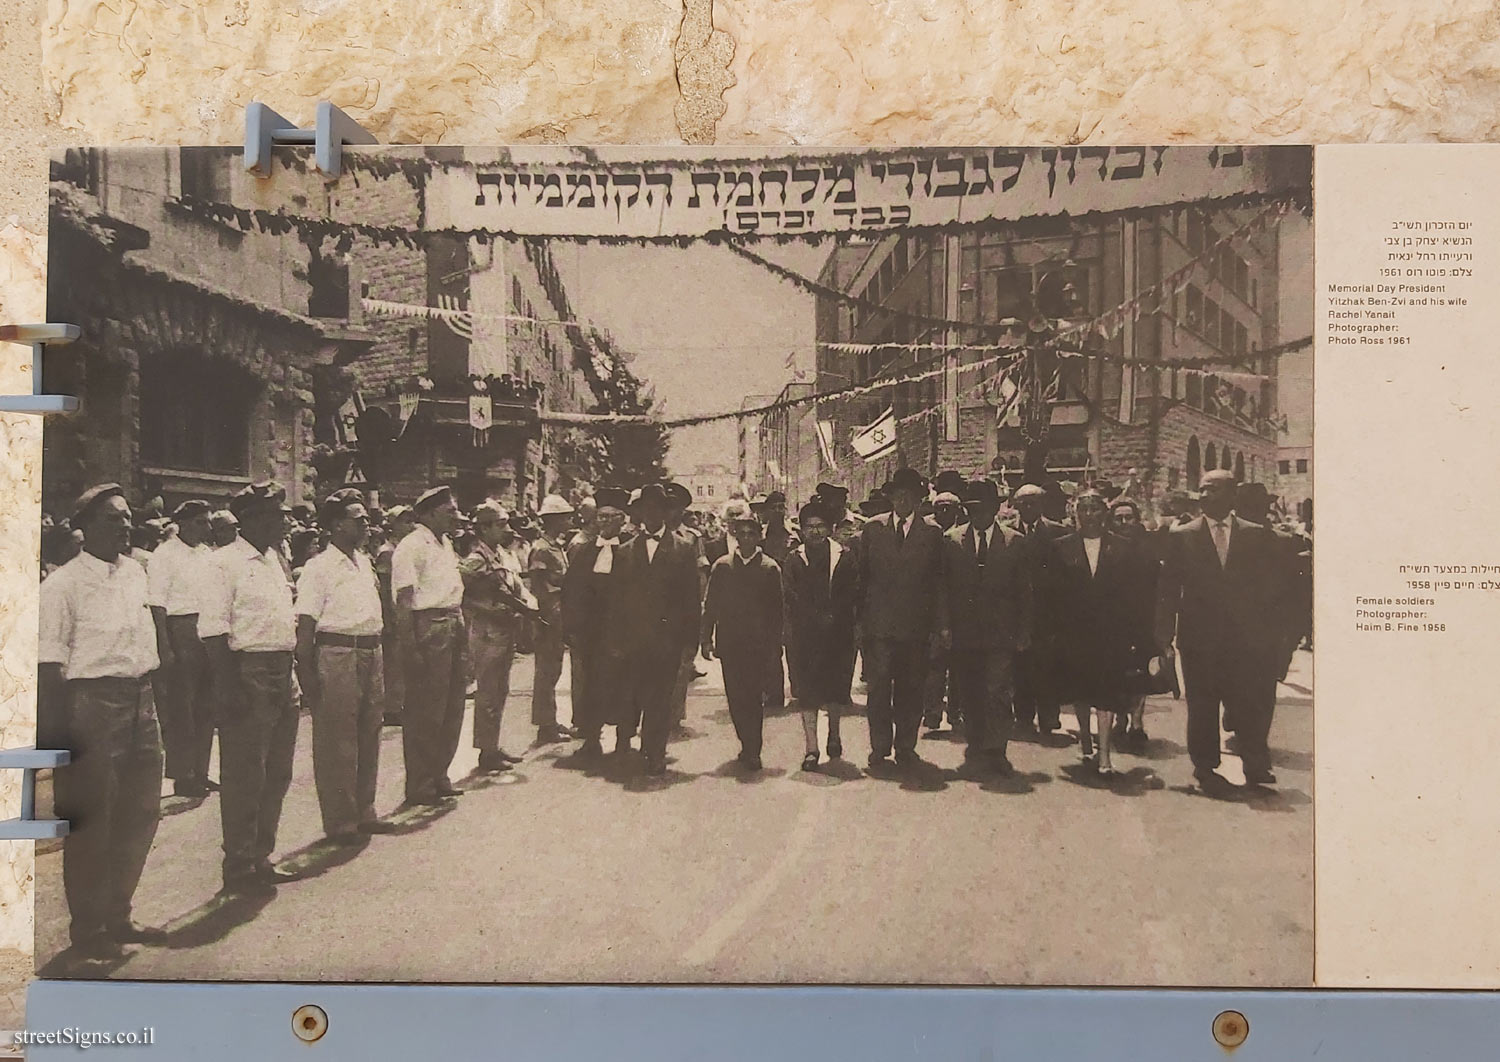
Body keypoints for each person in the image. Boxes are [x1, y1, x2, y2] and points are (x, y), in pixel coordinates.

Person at [39, 484, 166, 960]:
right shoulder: (62, 586)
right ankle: (88, 931)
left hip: (141, 698)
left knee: (141, 811)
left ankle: (119, 913)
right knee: (93, 819)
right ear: (85, 527)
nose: (126, 526)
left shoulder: (136, 573)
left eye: (128, 517)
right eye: (114, 519)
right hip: (90, 703)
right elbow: (49, 666)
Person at [1156, 469, 1299, 792]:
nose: (1205, 496)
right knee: (1202, 706)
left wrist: (1274, 637)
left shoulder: (1257, 535)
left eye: (1214, 490)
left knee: (1250, 703)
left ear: (1232, 495)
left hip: (1246, 641)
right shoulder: (1182, 535)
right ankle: (1205, 768)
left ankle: (1256, 764)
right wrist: (1163, 637)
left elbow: (1272, 590)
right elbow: (1168, 590)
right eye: (1202, 490)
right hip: (1199, 641)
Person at [199, 481, 300, 897]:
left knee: (278, 771)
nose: (285, 521)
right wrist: (229, 687)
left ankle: (262, 855)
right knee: (245, 773)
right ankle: (238, 864)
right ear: (254, 518)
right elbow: (213, 632)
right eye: (278, 514)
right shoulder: (224, 563)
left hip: (281, 669)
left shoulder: (275, 558)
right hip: (248, 671)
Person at [294, 489, 393, 845]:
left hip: (370, 651)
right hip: (337, 653)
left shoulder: (363, 561)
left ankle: (364, 809)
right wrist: (307, 677)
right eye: (358, 518)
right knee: (338, 740)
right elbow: (305, 626)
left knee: (369, 733)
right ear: (336, 525)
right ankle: (340, 820)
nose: (366, 523)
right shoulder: (318, 568)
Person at [1046, 490, 1154, 775]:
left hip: (1111, 635)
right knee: (1081, 692)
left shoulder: (1123, 547)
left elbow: (1135, 595)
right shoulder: (1060, 547)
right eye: (1084, 509)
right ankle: (1085, 741)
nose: (1089, 515)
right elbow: (1053, 595)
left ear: (1104, 513)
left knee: (1106, 693)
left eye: (1095, 509)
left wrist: (1135, 635)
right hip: (1075, 635)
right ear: (1075, 514)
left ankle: (1104, 755)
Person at [855, 467, 947, 771]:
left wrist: (939, 626)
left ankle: (906, 746)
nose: (903, 499)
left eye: (910, 495)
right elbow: (861, 578)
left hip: (915, 629)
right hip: (879, 628)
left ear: (919, 500)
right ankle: (880, 746)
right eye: (898, 494)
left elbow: (938, 583)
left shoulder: (932, 533)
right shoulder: (873, 529)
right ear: (891, 497)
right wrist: (860, 623)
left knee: (911, 689)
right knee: (879, 689)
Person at [939, 479, 1031, 776]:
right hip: (964, 633)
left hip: (1000, 632)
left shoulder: (1014, 542)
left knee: (999, 689)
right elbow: (942, 589)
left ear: (996, 508)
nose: (978, 515)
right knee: (969, 690)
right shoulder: (951, 540)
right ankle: (976, 741)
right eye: (972, 509)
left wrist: (1023, 630)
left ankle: (996, 747)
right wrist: (944, 626)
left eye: (984, 509)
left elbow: (1024, 591)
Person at [610, 483, 701, 775]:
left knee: (660, 698)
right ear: (638, 513)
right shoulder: (623, 551)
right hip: (631, 640)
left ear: (666, 512)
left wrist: (690, 642)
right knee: (629, 692)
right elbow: (615, 601)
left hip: (667, 640)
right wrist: (615, 640)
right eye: (645, 509)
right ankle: (624, 742)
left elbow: (691, 598)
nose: (650, 514)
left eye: (657, 509)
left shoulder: (683, 548)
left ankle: (655, 750)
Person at [391, 485, 469, 806]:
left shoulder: (445, 543)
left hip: (453, 621)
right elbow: (404, 602)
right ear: (431, 513)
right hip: (429, 625)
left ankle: (440, 774)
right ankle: (420, 783)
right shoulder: (411, 546)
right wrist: (409, 649)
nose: (455, 516)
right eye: (450, 511)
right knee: (426, 709)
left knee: (453, 706)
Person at [700, 500, 783, 771]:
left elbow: (777, 611)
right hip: (730, 643)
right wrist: (706, 638)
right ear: (734, 535)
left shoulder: (770, 568)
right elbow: (710, 605)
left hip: (757, 645)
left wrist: (775, 646)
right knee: (735, 697)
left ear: (759, 536)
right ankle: (745, 741)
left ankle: (753, 748)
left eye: (752, 533)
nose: (746, 538)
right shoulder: (723, 566)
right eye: (741, 533)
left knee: (754, 696)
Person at [146, 499, 219, 798]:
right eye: (202, 522)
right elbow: (157, 604)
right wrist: (165, 645)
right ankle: (184, 775)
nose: (208, 527)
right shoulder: (164, 555)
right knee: (182, 708)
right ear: (184, 523)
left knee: (206, 706)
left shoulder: (206, 555)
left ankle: (201, 771)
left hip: (206, 628)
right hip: (180, 629)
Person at [783, 500, 860, 771]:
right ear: (802, 531)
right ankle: (811, 747)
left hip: (838, 632)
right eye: (809, 527)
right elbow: (790, 593)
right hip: (805, 635)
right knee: (807, 690)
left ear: (830, 529)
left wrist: (834, 615)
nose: (815, 532)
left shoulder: (844, 556)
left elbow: (851, 591)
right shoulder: (795, 558)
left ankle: (835, 734)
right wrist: (813, 616)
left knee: (836, 688)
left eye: (820, 527)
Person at [458, 502, 534, 774]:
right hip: (487, 633)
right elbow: (463, 594)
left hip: (504, 631)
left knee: (500, 690)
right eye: (500, 524)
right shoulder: (476, 559)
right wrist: (490, 610)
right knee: (488, 692)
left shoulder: (500, 555)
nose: (506, 529)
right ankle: (485, 752)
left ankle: (493, 745)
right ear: (484, 528)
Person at [561, 487, 631, 758]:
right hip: (592, 634)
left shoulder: (632, 550)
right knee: (591, 684)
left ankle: (624, 740)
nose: (605, 523)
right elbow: (571, 592)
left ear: (623, 519)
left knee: (625, 685)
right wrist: (572, 628)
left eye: (612, 517)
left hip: (624, 631)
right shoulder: (585, 551)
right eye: (601, 517)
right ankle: (592, 739)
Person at [1010, 483, 1067, 739]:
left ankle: (1049, 716)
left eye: (1033, 503)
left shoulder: (1058, 532)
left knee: (1048, 666)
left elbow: (1065, 576)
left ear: (1042, 505)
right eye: (1023, 503)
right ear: (1015, 505)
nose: (1028, 508)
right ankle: (1023, 716)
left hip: (1048, 612)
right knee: (1019, 666)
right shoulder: (1007, 532)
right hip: (1017, 610)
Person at [528, 494, 577, 744]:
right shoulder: (541, 548)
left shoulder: (556, 545)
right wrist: (544, 615)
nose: (569, 520)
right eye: (565, 516)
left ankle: (550, 720)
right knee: (546, 672)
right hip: (549, 614)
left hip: (558, 611)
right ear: (554, 520)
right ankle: (544, 726)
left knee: (554, 670)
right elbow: (538, 584)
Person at [922, 489, 967, 733]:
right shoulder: (928, 532)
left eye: (950, 508)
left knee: (959, 666)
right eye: (940, 508)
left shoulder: (962, 535)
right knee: (935, 665)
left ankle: (955, 712)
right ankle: (932, 713)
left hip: (959, 606)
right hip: (933, 607)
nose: (945, 513)